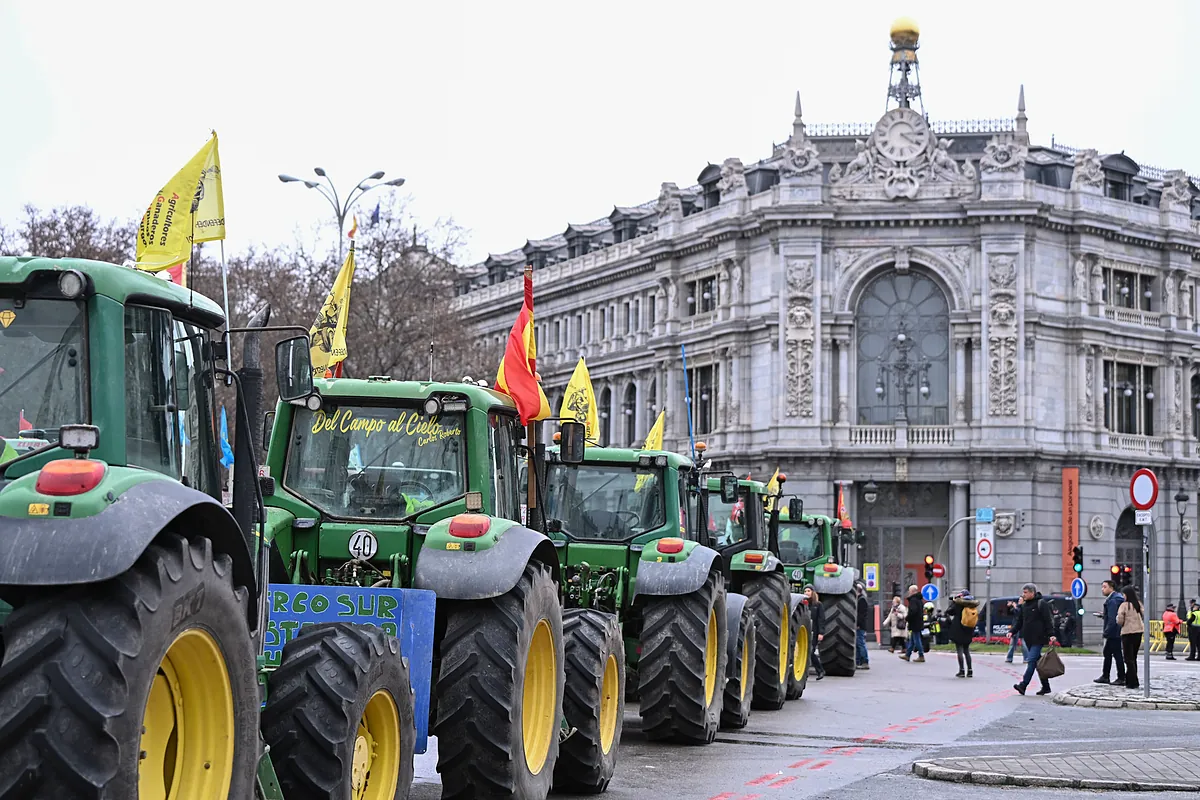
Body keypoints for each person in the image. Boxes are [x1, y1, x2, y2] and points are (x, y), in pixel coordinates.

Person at [1011, 583, 1056, 696]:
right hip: (1029, 639)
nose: (1023, 595)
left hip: (1039, 638)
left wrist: (1051, 634)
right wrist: (1012, 631)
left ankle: (1023, 685)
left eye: (1026, 592)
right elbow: (1020, 622)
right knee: (1038, 663)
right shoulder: (1024, 606)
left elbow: (1048, 620)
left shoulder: (1041, 603)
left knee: (1031, 661)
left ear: (1032, 593)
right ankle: (1046, 686)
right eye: (1023, 592)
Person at [1094, 579, 1126, 685]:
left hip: (1114, 632)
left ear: (1111, 588)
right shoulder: (1117, 598)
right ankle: (1106, 676)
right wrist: (1104, 615)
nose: (1102, 589)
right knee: (1109, 653)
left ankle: (1120, 677)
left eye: (1105, 587)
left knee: (1116, 654)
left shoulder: (1113, 600)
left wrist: (1107, 632)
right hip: (1116, 631)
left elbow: (1112, 619)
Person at [946, 589, 980, 678]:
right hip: (968, 630)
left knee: (960, 650)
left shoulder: (958, 604)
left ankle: (961, 670)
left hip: (958, 630)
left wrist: (954, 601)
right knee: (966, 651)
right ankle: (970, 670)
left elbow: (949, 611)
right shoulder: (972, 604)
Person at [1117, 585, 1145, 690]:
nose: (1123, 596)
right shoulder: (1138, 604)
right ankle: (1130, 679)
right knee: (1133, 657)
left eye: (1123, 594)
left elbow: (1120, 620)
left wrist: (1118, 620)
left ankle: (1133, 681)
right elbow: (1143, 614)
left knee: (1128, 658)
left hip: (1127, 632)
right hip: (1138, 631)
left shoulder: (1124, 605)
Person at [900, 584, 926, 663]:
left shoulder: (913, 600)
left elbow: (913, 611)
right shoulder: (919, 600)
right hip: (918, 621)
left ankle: (921, 655)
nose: (909, 592)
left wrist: (907, 618)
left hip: (915, 622)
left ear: (912, 591)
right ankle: (907, 655)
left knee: (916, 639)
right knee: (912, 639)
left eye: (909, 591)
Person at [805, 586, 826, 680]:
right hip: (805, 631)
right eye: (805, 591)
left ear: (812, 592)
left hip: (814, 632)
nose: (807, 593)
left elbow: (821, 619)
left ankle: (820, 670)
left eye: (808, 591)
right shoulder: (803, 604)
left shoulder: (818, 605)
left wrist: (821, 633)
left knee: (810, 651)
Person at [854, 581, 871, 670]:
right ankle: (858, 661)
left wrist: (858, 624)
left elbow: (861, 615)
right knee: (858, 643)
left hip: (860, 626)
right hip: (859, 625)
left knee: (860, 643)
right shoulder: (860, 599)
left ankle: (864, 661)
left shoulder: (861, 600)